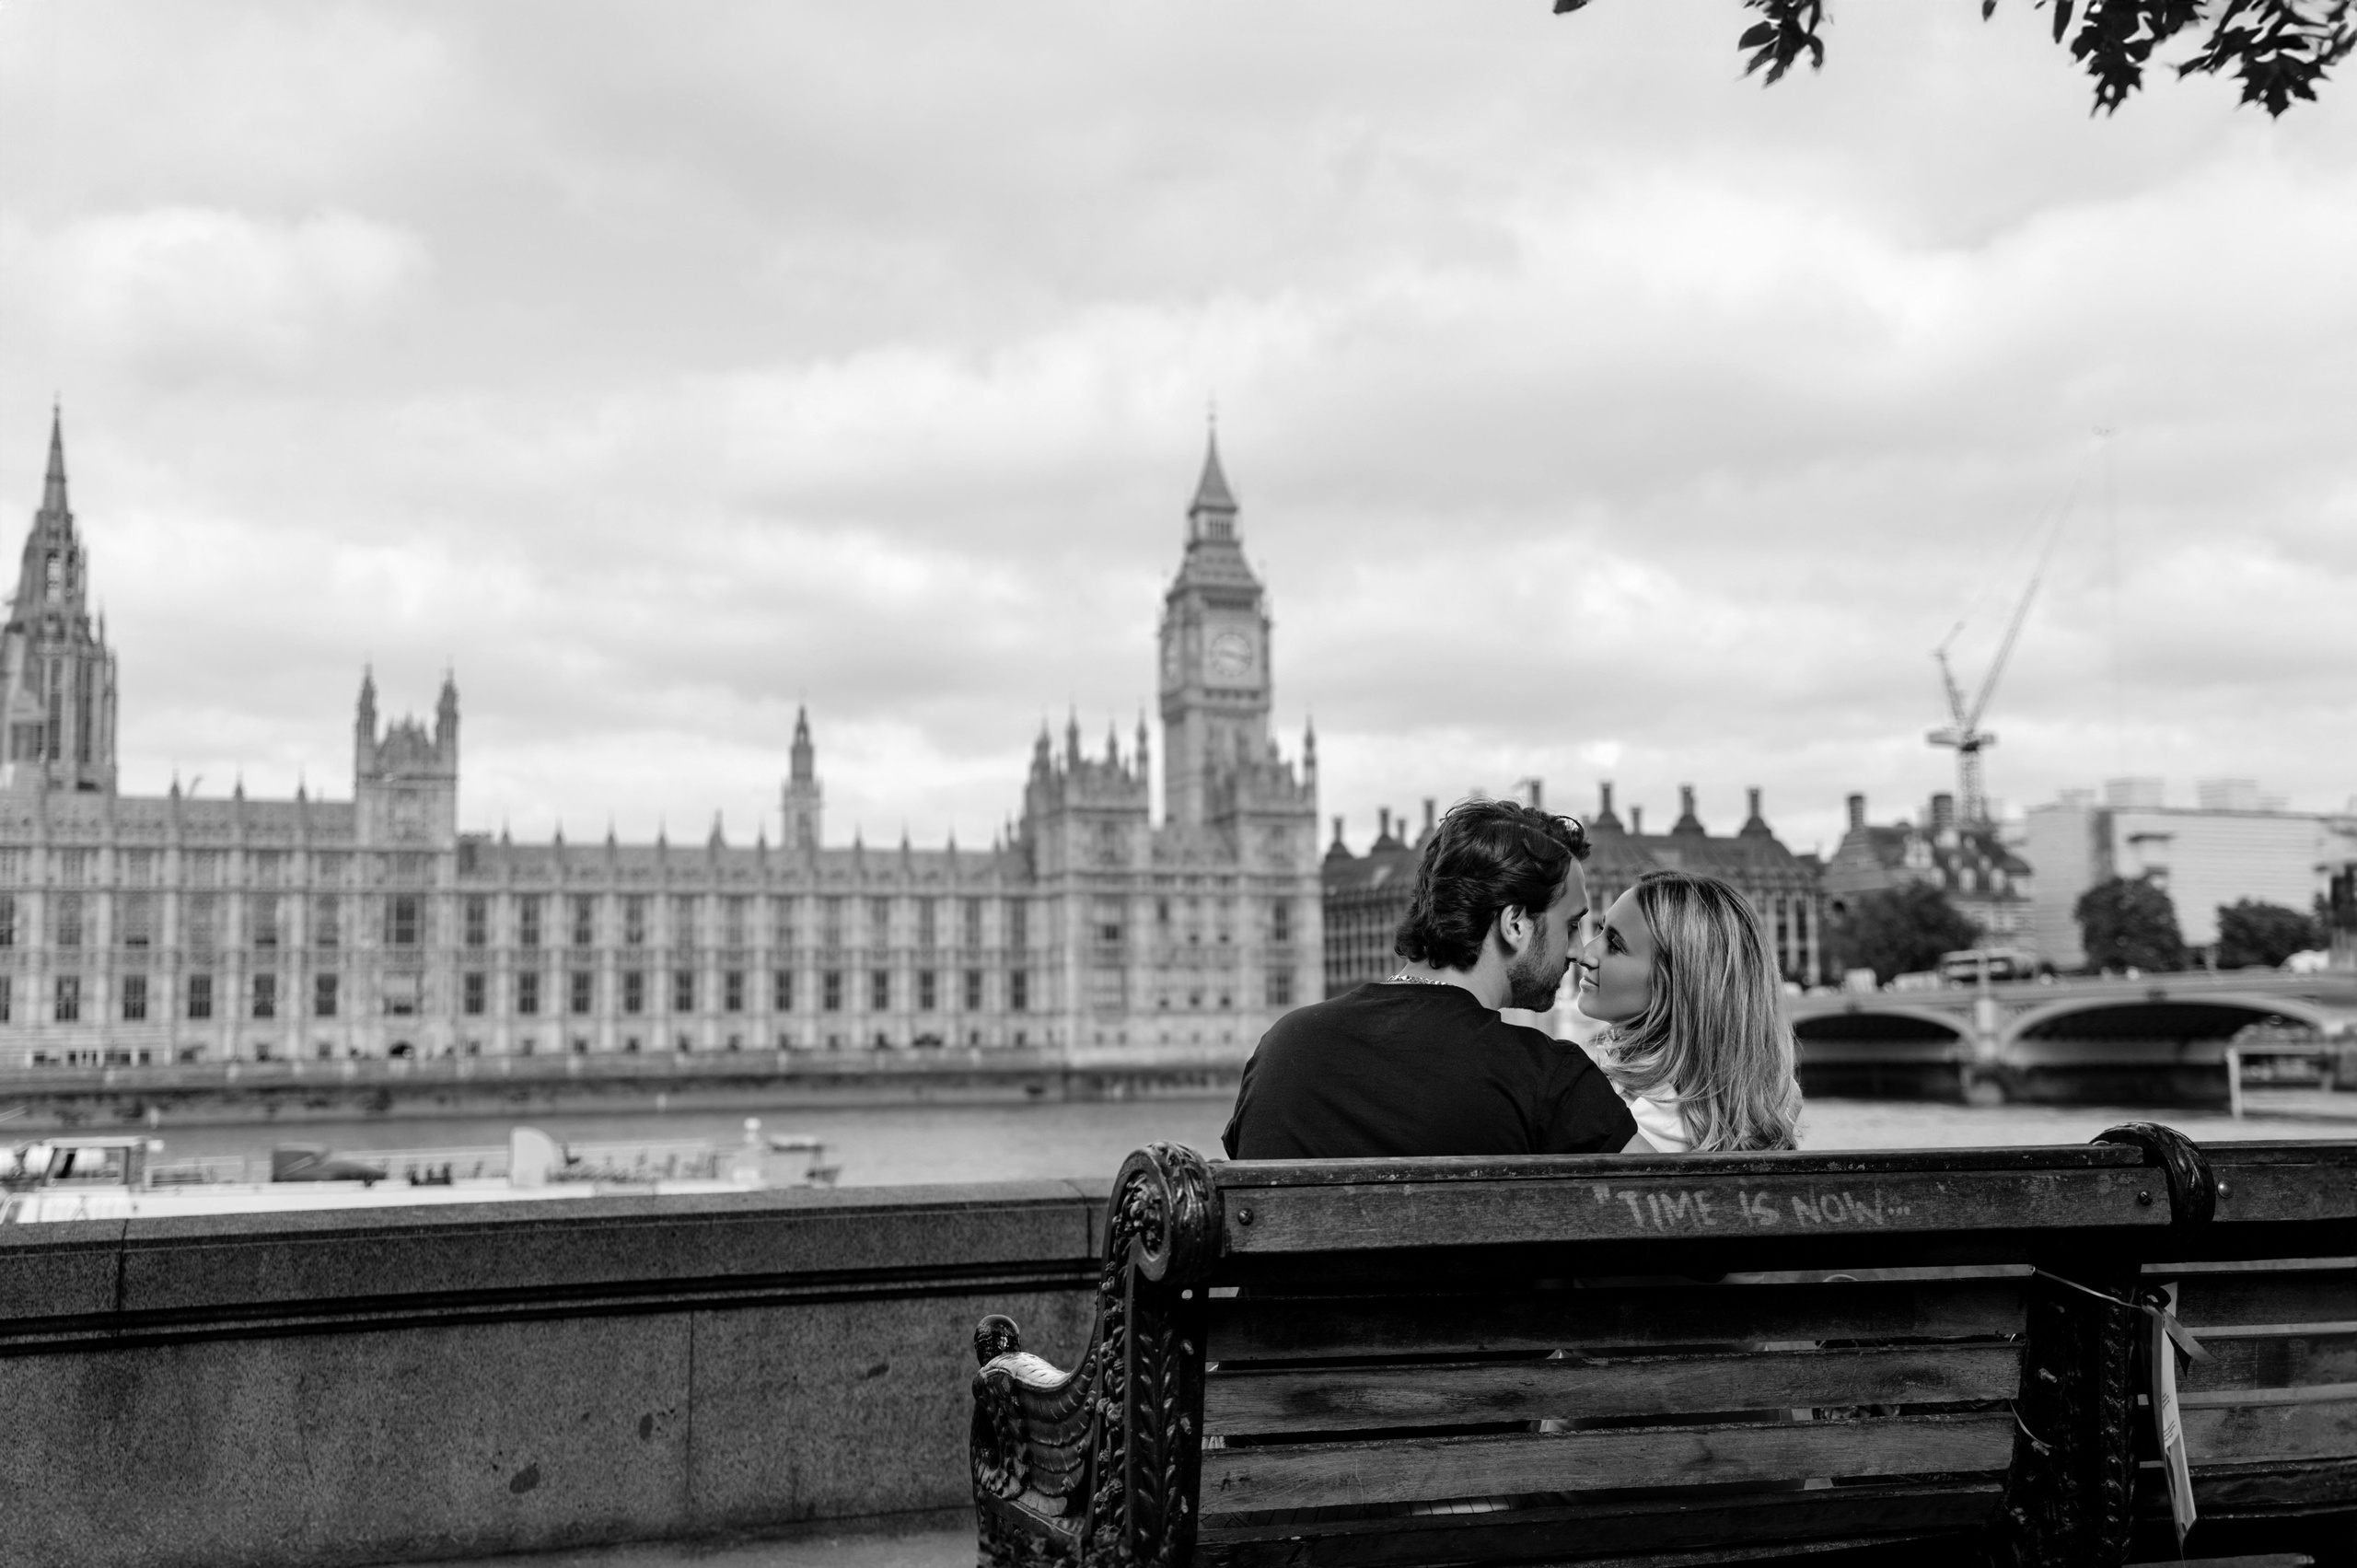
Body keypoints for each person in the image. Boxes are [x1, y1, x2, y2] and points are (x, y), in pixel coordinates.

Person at [1223, 798, 1634, 1159]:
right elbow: (1674, 1206)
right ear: (1515, 924)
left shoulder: (1284, 1046)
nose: (1580, 950)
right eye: (1573, 925)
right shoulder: (1550, 1081)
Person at [1574, 868, 1803, 1153]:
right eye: (1600, 930)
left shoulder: (1631, 1125)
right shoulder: (1775, 1101)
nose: (1586, 954)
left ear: (1678, 982)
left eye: (1614, 944)